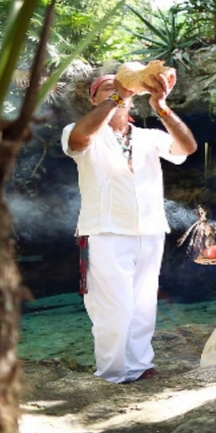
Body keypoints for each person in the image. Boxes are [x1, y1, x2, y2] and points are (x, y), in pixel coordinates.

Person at [61, 71, 197, 384]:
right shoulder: (80, 132)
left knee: (144, 304)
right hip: (105, 232)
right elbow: (78, 139)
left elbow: (186, 148)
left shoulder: (149, 137)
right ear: (95, 100)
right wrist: (117, 96)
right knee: (113, 308)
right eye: (108, 89)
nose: (118, 92)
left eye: (123, 89)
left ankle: (139, 365)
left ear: (134, 100)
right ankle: (111, 374)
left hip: (150, 231)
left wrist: (161, 106)